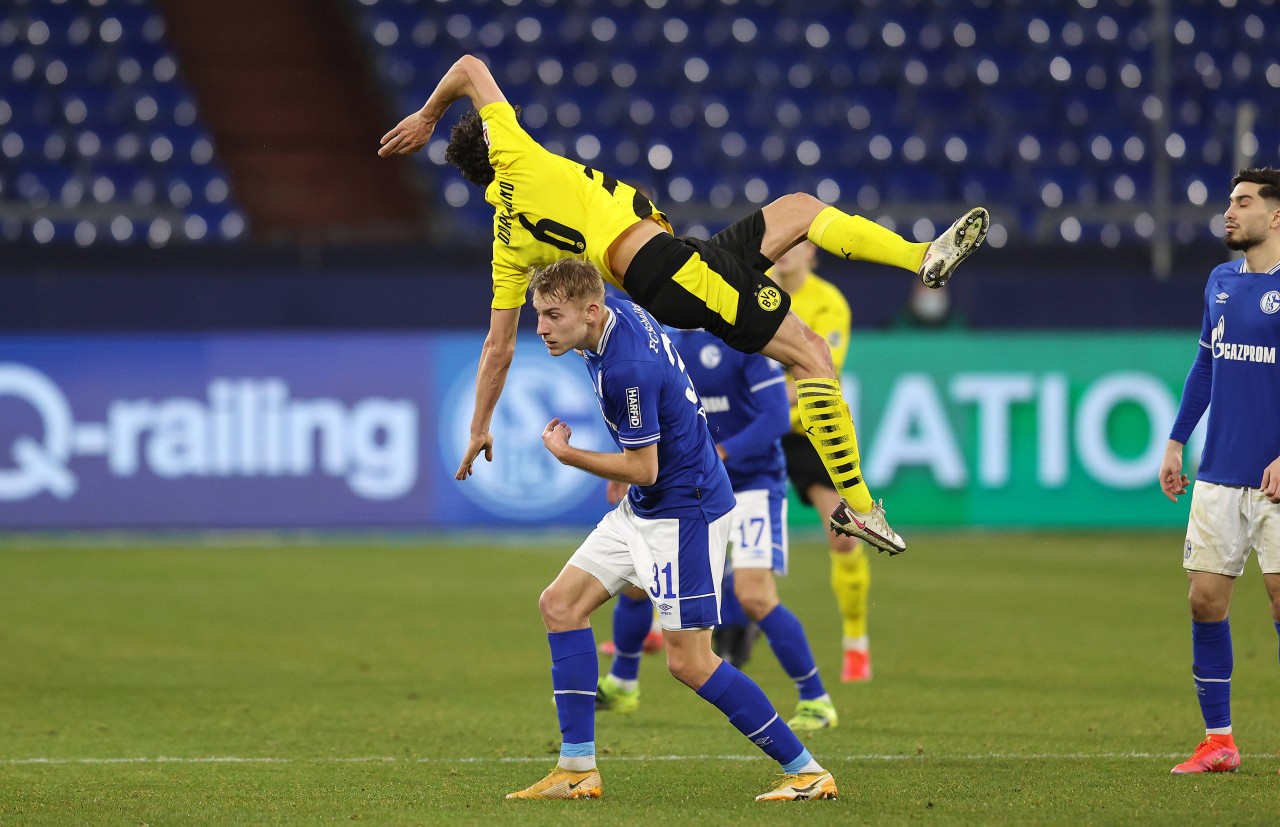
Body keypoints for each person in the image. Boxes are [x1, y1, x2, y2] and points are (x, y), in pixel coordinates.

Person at [378, 54, 989, 555]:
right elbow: (468, 66)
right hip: (664, 267)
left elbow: (498, 346)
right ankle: (857, 506)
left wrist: (480, 423)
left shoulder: (506, 246)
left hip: (673, 266)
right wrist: (430, 115)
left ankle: (920, 258)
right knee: (811, 356)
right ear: (490, 138)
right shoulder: (514, 150)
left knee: (799, 211)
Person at [508, 258, 837, 801]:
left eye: (550, 315)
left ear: (589, 312)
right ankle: (576, 770)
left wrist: (570, 456)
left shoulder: (625, 368)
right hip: (650, 503)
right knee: (560, 605)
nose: (540, 327)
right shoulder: (615, 312)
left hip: (685, 509)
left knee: (690, 662)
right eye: (537, 314)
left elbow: (644, 467)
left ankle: (806, 771)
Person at [596, 324, 838, 731]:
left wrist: (720, 451)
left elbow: (777, 416)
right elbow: (648, 410)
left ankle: (816, 700)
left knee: (755, 596)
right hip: (690, 487)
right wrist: (628, 465)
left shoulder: (741, 335)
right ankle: (622, 683)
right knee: (637, 577)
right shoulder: (664, 338)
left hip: (751, 485)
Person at [1159, 166, 1280, 775]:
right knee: (1205, 601)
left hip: (1276, 480)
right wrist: (1177, 440)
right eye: (1228, 202)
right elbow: (1205, 366)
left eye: (1243, 202)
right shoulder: (1220, 281)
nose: (1229, 212)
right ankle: (1219, 741)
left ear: (1276, 216)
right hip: (1220, 473)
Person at [770, 241, 874, 682]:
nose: (786, 253)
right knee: (705, 523)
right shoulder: (750, 292)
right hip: (758, 427)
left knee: (844, 536)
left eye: (799, 245)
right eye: (782, 244)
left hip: (809, 432)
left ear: (814, 253)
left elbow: (819, 370)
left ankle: (855, 642)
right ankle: (662, 627)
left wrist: (763, 397)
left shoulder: (828, 302)